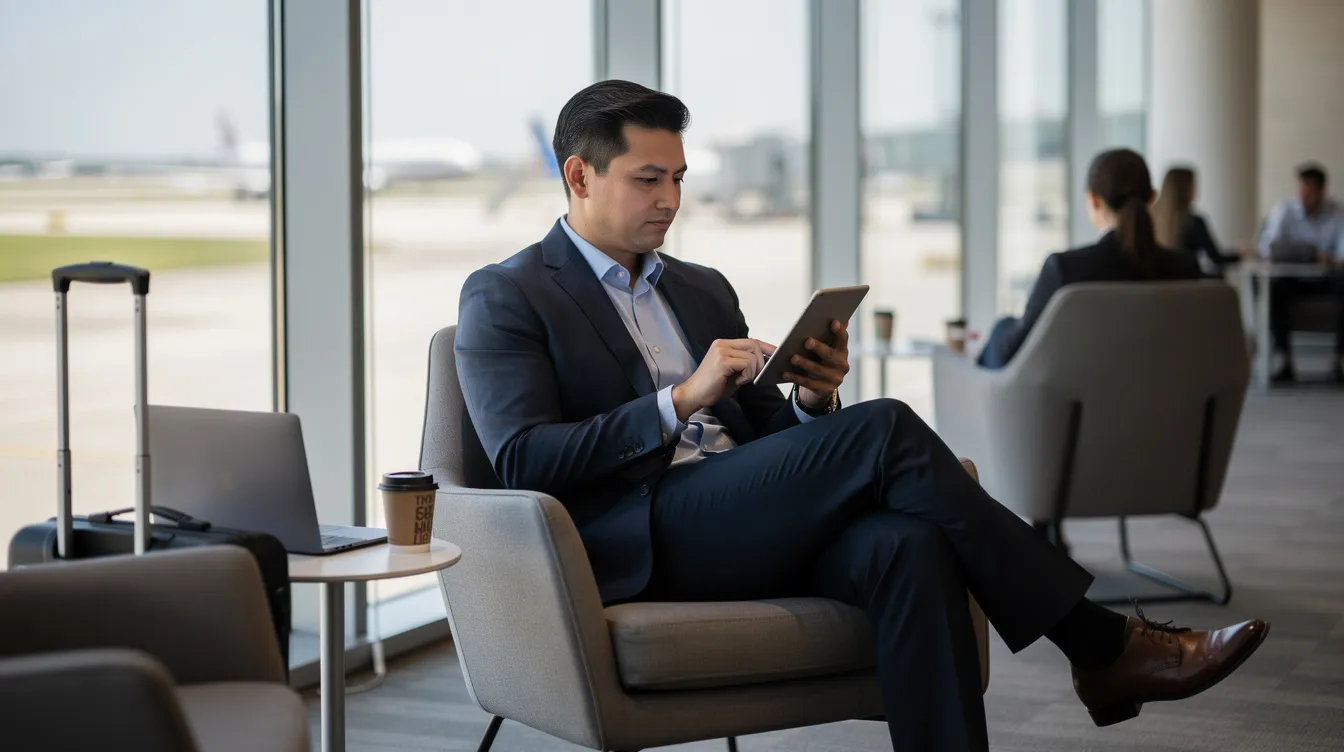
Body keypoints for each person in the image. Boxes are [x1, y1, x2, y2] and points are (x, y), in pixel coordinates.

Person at [453, 81, 1269, 752]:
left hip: (741, 513)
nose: (671, 199)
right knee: (885, 427)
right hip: (643, 535)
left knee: (908, 545)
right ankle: (1098, 646)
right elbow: (525, 459)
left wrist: (812, 398)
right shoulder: (508, 294)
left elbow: (775, 438)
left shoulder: (698, 285)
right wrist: (680, 400)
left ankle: (1080, 666)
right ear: (579, 176)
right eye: (647, 178)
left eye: (678, 178)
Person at [976, 149, 1204, 371]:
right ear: (1152, 199)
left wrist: (1001, 327)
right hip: (1167, 407)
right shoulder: (1185, 267)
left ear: (1093, 200)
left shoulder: (1065, 270)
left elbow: (1011, 353)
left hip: (1078, 409)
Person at [1256, 163, 1344, 383]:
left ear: (1321, 191)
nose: (1305, 195)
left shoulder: (1337, 213)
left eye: (1310, 190)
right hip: (1292, 278)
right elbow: (1268, 248)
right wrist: (1310, 254)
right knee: (1273, 291)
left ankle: (1337, 361)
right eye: (1302, 189)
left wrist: (1327, 258)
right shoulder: (1284, 210)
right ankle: (1284, 361)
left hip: (1326, 278)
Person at [1152, 166, 1242, 277]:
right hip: (1188, 286)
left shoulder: (1152, 220)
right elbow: (1216, 258)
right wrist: (1240, 254)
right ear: (1187, 188)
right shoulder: (1194, 223)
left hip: (1160, 286)